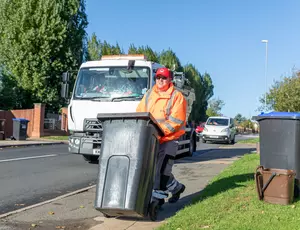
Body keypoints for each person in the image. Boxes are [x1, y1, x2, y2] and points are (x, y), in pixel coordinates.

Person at [136, 67, 187, 206]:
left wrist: (158, 132)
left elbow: (176, 121)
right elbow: (140, 113)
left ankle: (157, 200)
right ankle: (176, 188)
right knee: (151, 170)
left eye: (164, 78)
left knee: (162, 170)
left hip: (169, 139)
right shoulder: (149, 95)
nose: (160, 80)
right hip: (151, 138)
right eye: (158, 77)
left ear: (170, 79)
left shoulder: (177, 97)